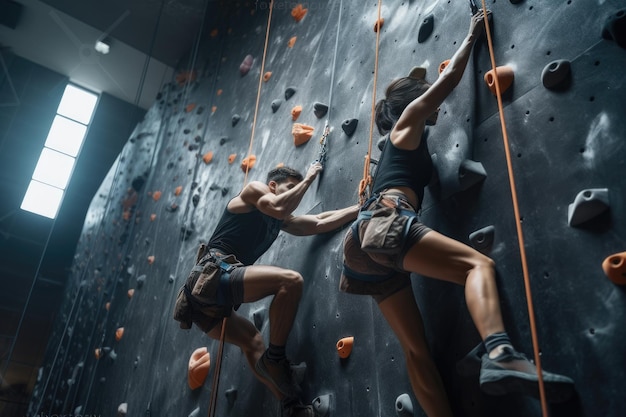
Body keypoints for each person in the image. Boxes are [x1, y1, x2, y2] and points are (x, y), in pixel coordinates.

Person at [340, 10, 574, 417]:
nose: (432, 103)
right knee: (476, 267)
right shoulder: (407, 123)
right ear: (412, 101)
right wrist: (472, 36)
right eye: (423, 94)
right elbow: (448, 83)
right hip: (386, 223)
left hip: (364, 245)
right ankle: (500, 353)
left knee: (416, 351)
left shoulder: (405, 148)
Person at [174, 162, 359, 417]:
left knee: (253, 341)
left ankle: (290, 407)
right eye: (289, 187)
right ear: (272, 186)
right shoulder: (254, 190)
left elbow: (316, 222)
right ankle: (275, 359)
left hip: (207, 297)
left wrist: (359, 209)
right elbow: (279, 206)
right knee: (290, 282)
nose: (294, 192)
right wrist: (310, 178)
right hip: (212, 276)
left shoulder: (277, 219)